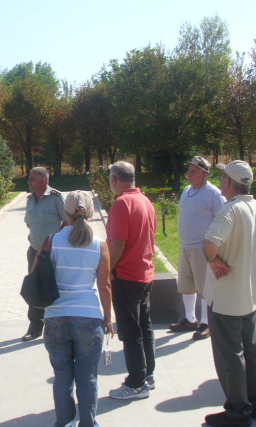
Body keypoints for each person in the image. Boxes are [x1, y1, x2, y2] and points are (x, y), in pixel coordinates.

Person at [202, 160, 256, 427]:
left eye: (223, 178)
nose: (220, 181)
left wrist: (214, 261)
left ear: (230, 182)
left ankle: (238, 412)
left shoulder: (230, 210)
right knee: (250, 350)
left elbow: (209, 244)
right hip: (249, 295)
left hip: (226, 297)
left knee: (229, 355)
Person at [43, 191, 114, 427]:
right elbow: (104, 286)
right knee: (88, 378)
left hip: (55, 317)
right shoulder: (99, 245)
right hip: (88, 318)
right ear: (91, 213)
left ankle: (63, 423)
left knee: (62, 378)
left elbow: (36, 276)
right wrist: (107, 318)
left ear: (66, 213)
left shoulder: (50, 241)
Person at [106, 161, 157, 400]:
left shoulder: (122, 203)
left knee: (130, 331)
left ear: (115, 179)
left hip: (126, 276)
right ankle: (148, 375)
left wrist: (106, 270)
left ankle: (136, 383)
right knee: (144, 327)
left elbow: (117, 243)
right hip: (144, 274)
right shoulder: (145, 200)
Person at [169, 156, 225, 340]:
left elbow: (222, 221)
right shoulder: (187, 190)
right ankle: (190, 319)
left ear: (205, 175)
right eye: (189, 171)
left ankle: (206, 323)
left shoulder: (214, 194)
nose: (189, 175)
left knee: (204, 287)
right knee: (186, 284)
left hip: (202, 248)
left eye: (194, 172)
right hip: (185, 246)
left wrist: (214, 247)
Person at [22, 166, 67, 341]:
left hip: (53, 253)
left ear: (43, 181)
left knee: (54, 287)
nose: (29, 182)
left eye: (32, 179)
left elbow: (67, 221)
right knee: (34, 287)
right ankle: (35, 327)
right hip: (34, 250)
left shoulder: (56, 197)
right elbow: (28, 222)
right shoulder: (29, 199)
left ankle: (57, 326)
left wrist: (54, 241)